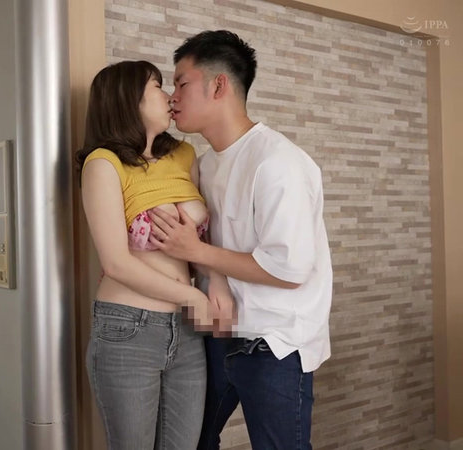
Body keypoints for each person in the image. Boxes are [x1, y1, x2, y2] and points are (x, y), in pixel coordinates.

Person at [149, 30, 333, 449]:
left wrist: (196, 251)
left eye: (181, 83)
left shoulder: (278, 162)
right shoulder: (204, 164)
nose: (172, 97)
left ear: (219, 86)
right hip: (217, 332)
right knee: (186, 441)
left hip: (274, 344)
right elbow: (206, 243)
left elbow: (289, 270)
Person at [75, 60, 232, 449]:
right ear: (128, 100)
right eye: (157, 87)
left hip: (186, 330)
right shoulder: (103, 164)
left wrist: (217, 281)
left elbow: (197, 240)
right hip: (128, 328)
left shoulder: (184, 154)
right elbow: (116, 262)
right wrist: (192, 295)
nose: (169, 97)